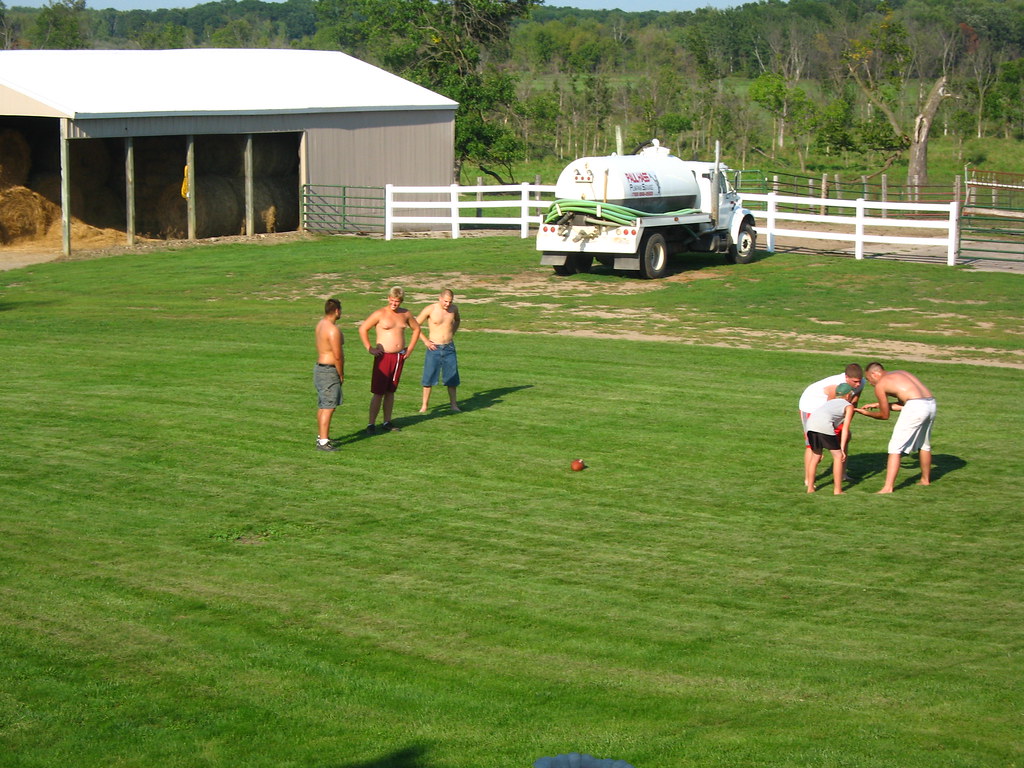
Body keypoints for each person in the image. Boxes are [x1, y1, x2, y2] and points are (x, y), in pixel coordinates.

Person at [855, 362, 937, 493]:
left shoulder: (881, 385)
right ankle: (925, 480)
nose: (871, 384)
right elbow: (905, 402)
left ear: (874, 374)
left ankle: (888, 487)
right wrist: (880, 404)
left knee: (895, 448)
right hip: (930, 403)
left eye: (870, 380)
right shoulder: (901, 373)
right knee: (924, 444)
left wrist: (867, 413)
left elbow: (884, 415)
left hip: (916, 406)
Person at [358, 286, 421, 433]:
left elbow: (416, 329)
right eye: (392, 301)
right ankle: (371, 424)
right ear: (388, 299)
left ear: (401, 301)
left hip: (398, 356)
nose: (394, 304)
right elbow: (363, 329)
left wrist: (410, 349)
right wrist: (370, 348)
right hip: (383, 356)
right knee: (378, 392)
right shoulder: (380, 313)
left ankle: (387, 421)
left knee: (390, 391)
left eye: (397, 301)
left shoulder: (405, 314)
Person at [798, 364, 863, 485]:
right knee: (812, 445)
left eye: (859, 381)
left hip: (828, 410)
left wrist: (844, 423)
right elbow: (829, 407)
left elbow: (854, 402)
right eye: (855, 381)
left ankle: (843, 474)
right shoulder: (835, 386)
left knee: (844, 437)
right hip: (811, 406)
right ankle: (808, 479)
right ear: (846, 377)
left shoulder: (860, 383)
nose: (858, 384)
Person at [804, 383, 856, 494]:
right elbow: (845, 429)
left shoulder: (830, 402)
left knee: (815, 456)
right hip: (824, 425)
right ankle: (837, 490)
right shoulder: (848, 406)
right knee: (837, 456)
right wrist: (842, 449)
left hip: (810, 424)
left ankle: (810, 488)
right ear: (848, 395)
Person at [416, 288, 462, 412]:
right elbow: (415, 325)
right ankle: (424, 406)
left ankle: (454, 405)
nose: (448, 304)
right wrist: (425, 341)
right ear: (440, 298)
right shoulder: (430, 309)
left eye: (450, 302)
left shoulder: (454, 309)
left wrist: (453, 331)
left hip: (449, 347)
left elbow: (457, 320)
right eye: (446, 301)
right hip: (434, 348)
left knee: (452, 378)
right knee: (428, 378)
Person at [314, 298, 344, 452]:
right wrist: (341, 374)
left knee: (323, 405)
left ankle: (321, 436)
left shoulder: (320, 324)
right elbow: (338, 355)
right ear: (337, 311)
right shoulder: (333, 330)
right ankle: (323, 442)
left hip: (319, 368)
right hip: (328, 370)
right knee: (329, 406)